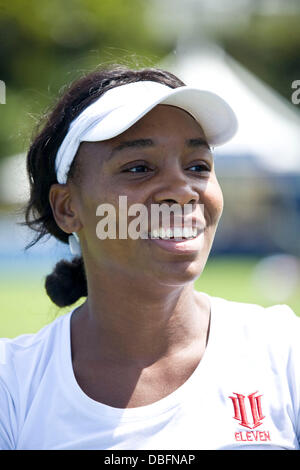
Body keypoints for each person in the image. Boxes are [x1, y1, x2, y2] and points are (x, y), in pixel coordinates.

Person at [0, 65, 299, 451]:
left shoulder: (285, 353)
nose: (183, 190)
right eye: (138, 168)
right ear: (68, 208)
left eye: (198, 166)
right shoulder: (13, 384)